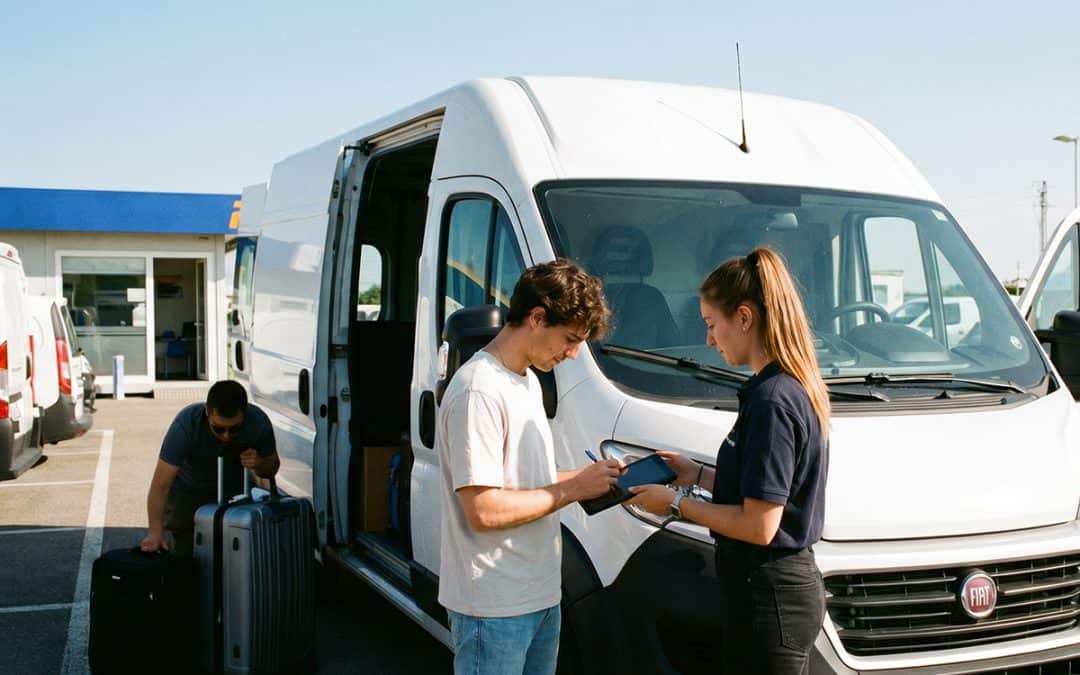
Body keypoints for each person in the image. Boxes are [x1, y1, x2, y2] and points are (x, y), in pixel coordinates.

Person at [627, 247, 830, 674]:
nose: (708, 339)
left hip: (770, 599)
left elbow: (760, 525)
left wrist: (676, 504)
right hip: (772, 594)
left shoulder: (772, 400)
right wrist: (695, 473)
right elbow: (764, 488)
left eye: (710, 324)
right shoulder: (780, 387)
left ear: (743, 317)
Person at [438, 259, 623, 675]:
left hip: (538, 596)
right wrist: (572, 490)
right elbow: (484, 509)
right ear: (537, 318)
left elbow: (523, 485)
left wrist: (590, 478)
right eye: (570, 339)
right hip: (494, 604)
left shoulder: (525, 379)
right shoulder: (478, 390)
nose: (573, 353)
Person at [140, 380, 280, 556]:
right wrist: (155, 532)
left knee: (239, 555)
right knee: (188, 555)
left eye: (235, 429)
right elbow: (161, 483)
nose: (226, 436)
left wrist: (260, 463)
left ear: (245, 414)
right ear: (207, 412)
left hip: (236, 493)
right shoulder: (186, 424)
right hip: (189, 490)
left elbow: (272, 467)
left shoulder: (257, 421)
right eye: (219, 429)